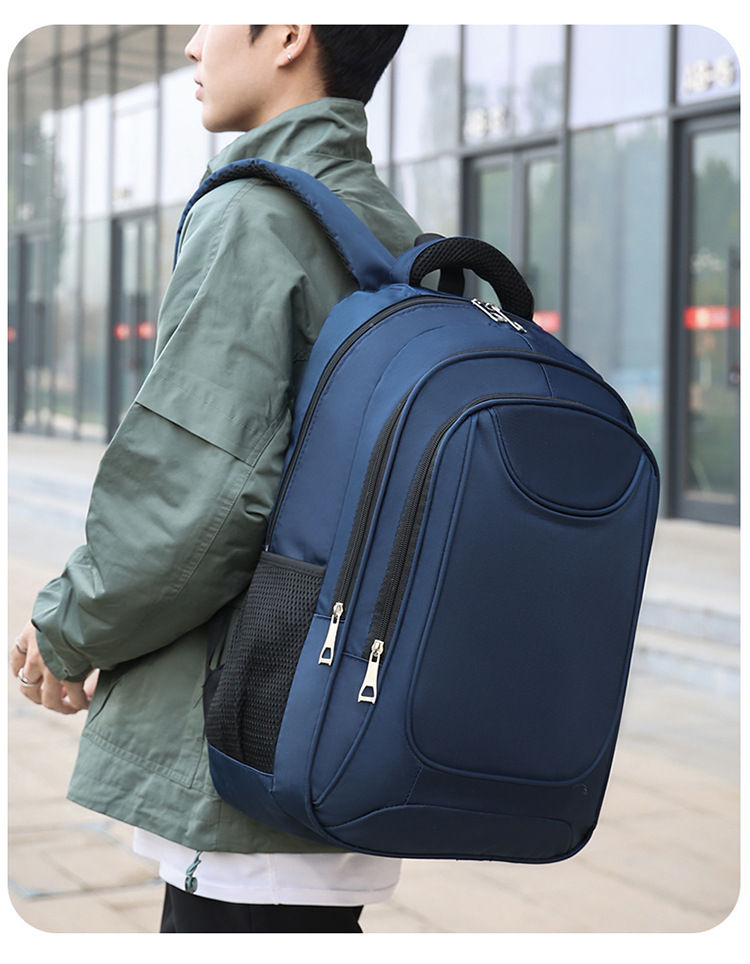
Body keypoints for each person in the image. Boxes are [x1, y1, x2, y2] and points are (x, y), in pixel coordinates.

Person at [10, 24, 421, 934]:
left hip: (244, 743)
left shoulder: (257, 216)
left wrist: (66, 628)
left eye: (214, 15)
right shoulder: (394, 231)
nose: (195, 44)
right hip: (345, 729)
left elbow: (197, 495)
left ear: (289, 33)